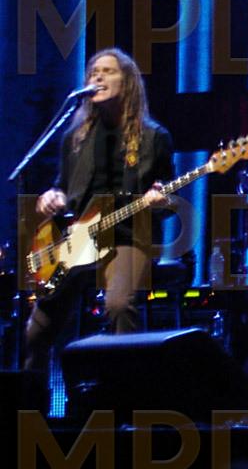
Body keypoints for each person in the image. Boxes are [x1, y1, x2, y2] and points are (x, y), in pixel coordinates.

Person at [25, 48, 174, 370]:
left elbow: (167, 196)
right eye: (93, 72)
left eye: (108, 71)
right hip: (80, 237)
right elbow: (62, 186)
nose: (98, 77)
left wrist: (160, 201)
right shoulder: (75, 138)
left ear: (127, 81)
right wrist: (52, 196)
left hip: (128, 235)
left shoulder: (154, 138)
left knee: (118, 305)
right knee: (36, 330)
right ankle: (31, 395)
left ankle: (124, 391)